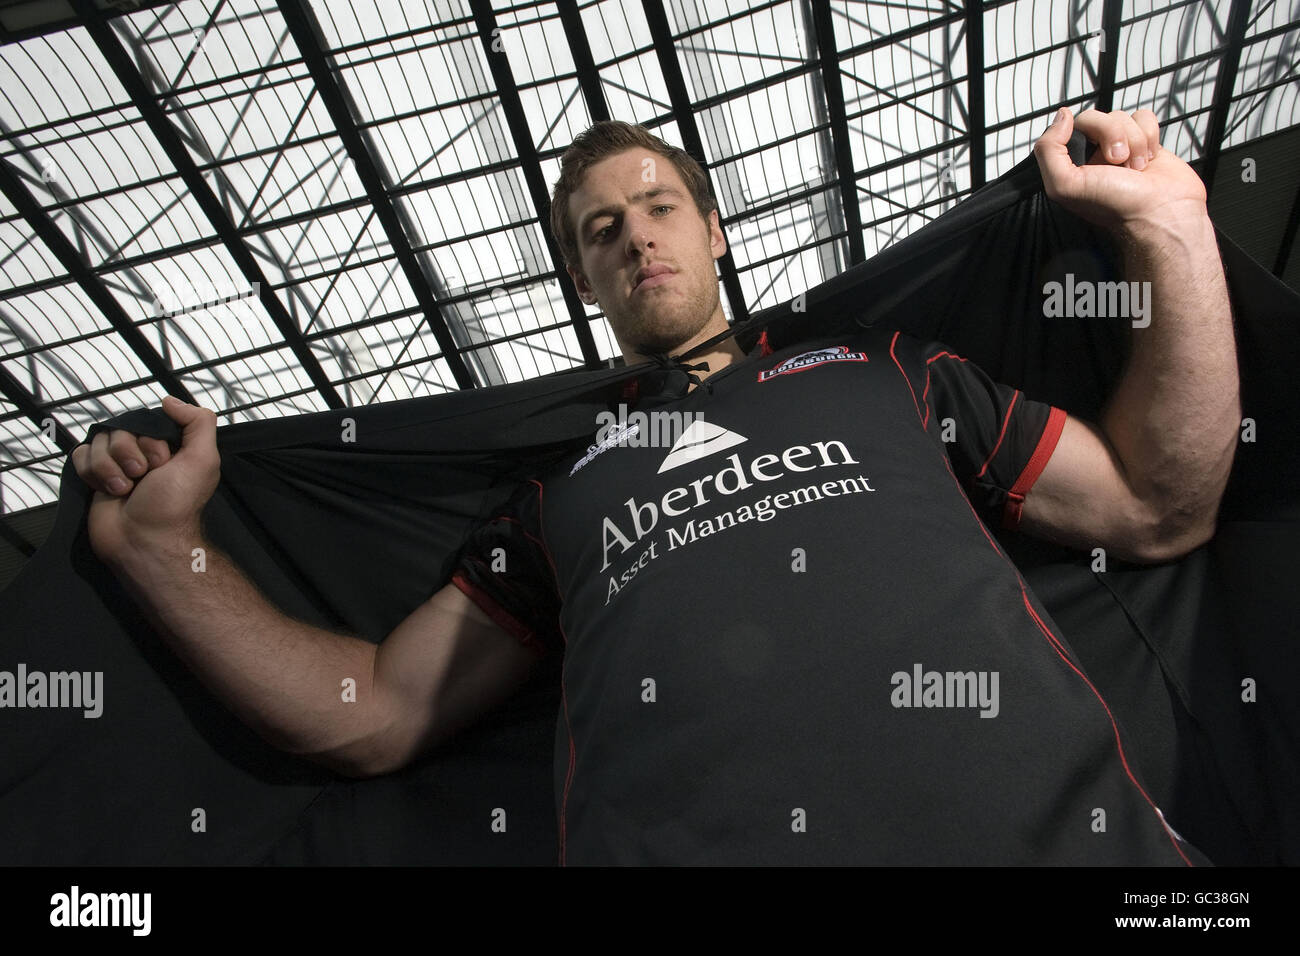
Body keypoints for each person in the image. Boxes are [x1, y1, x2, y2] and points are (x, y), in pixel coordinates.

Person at [71, 108, 1238, 865]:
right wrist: (158, 552)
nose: (635, 236)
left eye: (659, 206)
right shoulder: (555, 496)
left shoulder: (890, 369)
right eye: (600, 229)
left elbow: (1156, 503)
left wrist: (1171, 229)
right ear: (584, 276)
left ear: (716, 229)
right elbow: (371, 709)